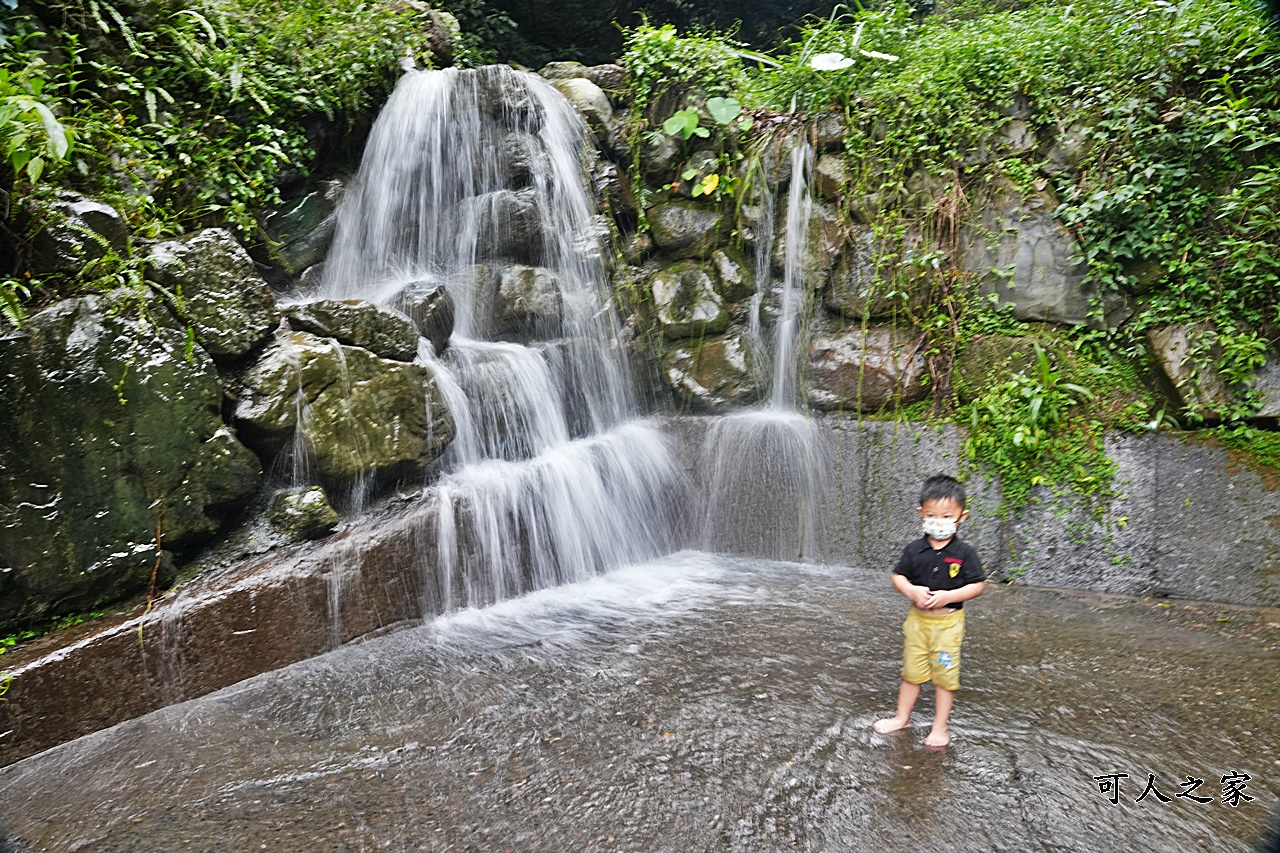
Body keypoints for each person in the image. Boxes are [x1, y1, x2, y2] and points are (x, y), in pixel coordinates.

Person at [873, 474, 986, 747]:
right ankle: (902, 717)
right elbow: (898, 576)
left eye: (947, 516)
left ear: (962, 516)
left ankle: (940, 726)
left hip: (948, 625)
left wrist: (950, 595)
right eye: (932, 515)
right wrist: (911, 590)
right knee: (911, 673)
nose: (939, 521)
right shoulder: (915, 550)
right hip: (917, 622)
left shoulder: (964, 553)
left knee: (944, 678)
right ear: (921, 513)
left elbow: (977, 586)